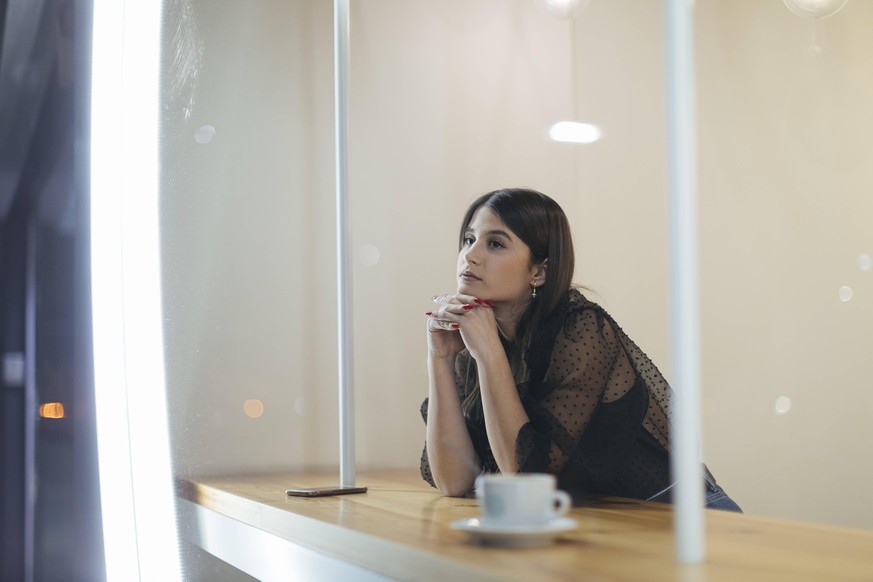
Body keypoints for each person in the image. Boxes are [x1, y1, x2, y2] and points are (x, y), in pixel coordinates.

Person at [420, 188, 741, 511]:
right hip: (606, 520)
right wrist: (441, 357)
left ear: (539, 272)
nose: (471, 255)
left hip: (683, 513)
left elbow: (526, 481)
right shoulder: (478, 338)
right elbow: (454, 481)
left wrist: (489, 354)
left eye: (496, 243)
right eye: (468, 240)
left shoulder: (580, 330)